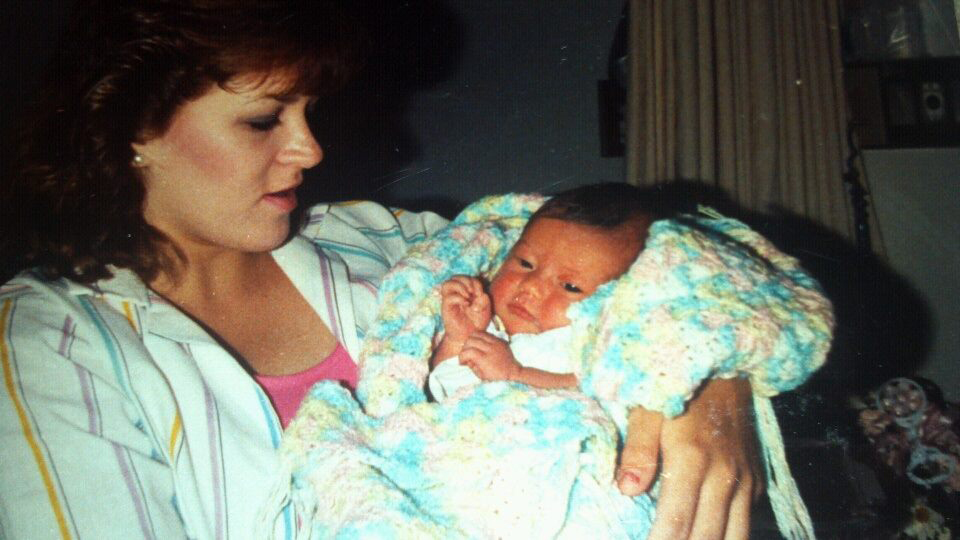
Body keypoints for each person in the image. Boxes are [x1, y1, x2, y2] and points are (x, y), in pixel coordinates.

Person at [0, 1, 762, 538]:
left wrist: (706, 385)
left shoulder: (388, 245)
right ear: (131, 126)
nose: (310, 149)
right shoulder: (55, 346)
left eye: (309, 112)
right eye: (265, 120)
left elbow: (683, 252)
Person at [428, 183, 652, 400]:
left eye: (570, 286)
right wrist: (459, 338)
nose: (531, 286)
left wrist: (518, 375)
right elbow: (446, 390)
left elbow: (596, 389)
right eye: (525, 263)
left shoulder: (589, 346)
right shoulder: (487, 326)